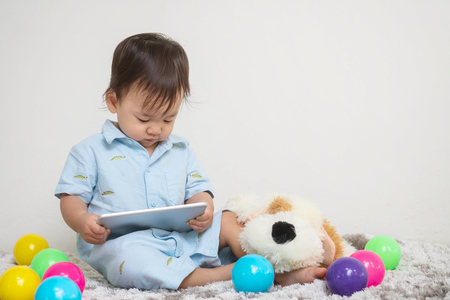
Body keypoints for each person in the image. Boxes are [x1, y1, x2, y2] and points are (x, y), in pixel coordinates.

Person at [55, 33, 335, 290]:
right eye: (144, 119)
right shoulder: (90, 150)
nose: (156, 129)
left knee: (227, 220)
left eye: (168, 118)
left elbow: (199, 191)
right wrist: (82, 221)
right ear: (114, 101)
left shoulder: (180, 149)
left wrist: (203, 210)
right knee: (130, 263)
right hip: (126, 245)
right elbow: (71, 198)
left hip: (182, 236)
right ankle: (230, 274)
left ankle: (272, 266)